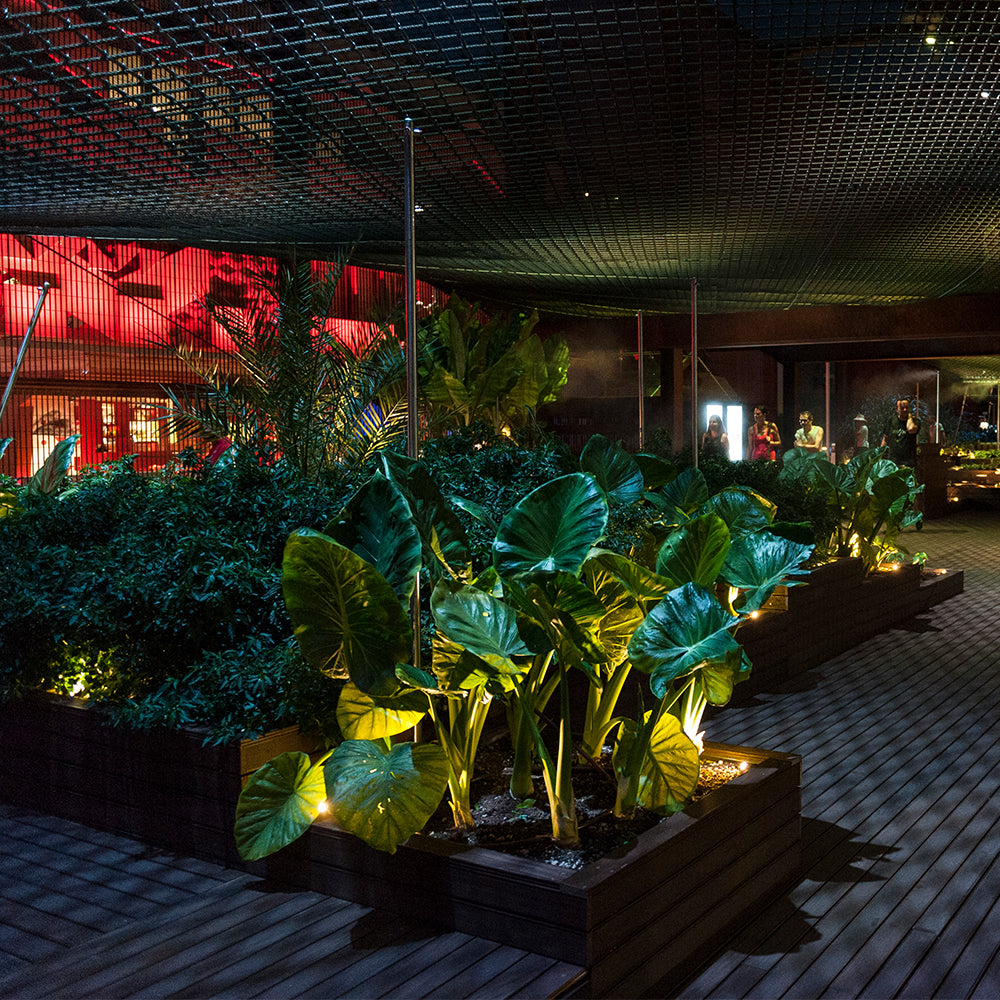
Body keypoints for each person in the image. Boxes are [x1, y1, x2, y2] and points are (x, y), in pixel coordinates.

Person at [881, 398, 919, 466]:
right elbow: (885, 438)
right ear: (897, 409)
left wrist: (909, 417)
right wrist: (881, 454)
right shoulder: (891, 421)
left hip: (908, 461)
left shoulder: (914, 421)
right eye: (902, 408)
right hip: (893, 461)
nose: (905, 410)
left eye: (907, 407)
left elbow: (910, 429)